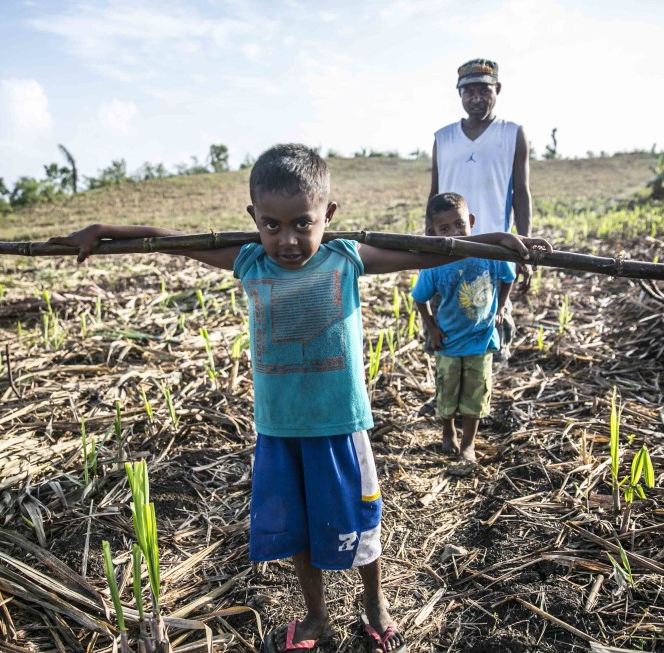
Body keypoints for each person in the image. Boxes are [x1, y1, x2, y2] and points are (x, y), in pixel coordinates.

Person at [48, 144, 551, 653]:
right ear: (253, 218)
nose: (286, 240)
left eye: (302, 224)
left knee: (359, 524)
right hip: (279, 428)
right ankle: (316, 618)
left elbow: (431, 250)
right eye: (271, 225)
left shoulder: (348, 257)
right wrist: (101, 229)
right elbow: (168, 241)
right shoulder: (247, 260)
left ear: (328, 215)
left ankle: (374, 604)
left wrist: (498, 241)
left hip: (338, 425)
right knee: (298, 531)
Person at [429, 57, 533, 361]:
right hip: (449, 251)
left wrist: (524, 244)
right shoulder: (443, 138)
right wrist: (428, 245)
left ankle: (479, 399)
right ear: (459, 94)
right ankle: (449, 399)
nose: (476, 99)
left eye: (484, 91)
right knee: (446, 329)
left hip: (494, 251)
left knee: (491, 330)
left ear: (497, 89)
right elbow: (434, 195)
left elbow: (521, 193)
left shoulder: (513, 133)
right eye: (469, 92)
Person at [412, 192, 515, 463]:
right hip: (447, 343)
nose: (455, 232)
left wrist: (501, 306)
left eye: (459, 224)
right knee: (447, 396)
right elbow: (419, 298)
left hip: (481, 340)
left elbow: (508, 277)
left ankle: (468, 445)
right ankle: (448, 432)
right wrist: (432, 327)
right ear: (433, 232)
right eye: (445, 228)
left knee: (475, 397)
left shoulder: (489, 255)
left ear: (470, 221)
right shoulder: (435, 263)